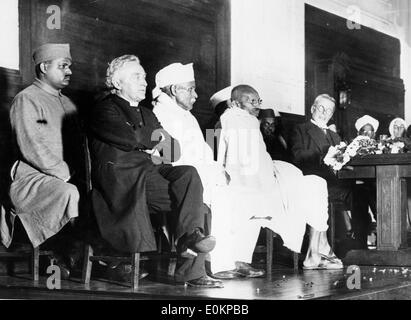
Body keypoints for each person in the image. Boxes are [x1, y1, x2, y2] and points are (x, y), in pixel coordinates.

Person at [88, 55, 222, 288]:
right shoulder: (104, 109)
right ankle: (191, 262)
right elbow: (130, 138)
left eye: (144, 77)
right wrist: (151, 142)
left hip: (147, 173)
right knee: (194, 205)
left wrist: (150, 143)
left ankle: (191, 239)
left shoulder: (146, 113)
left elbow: (173, 151)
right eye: (136, 76)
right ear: (118, 84)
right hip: (123, 180)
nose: (144, 82)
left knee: (189, 175)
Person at [152, 64, 265, 278]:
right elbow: (167, 158)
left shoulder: (188, 116)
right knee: (224, 194)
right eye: (191, 89)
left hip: (201, 175)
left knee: (245, 191)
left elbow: (206, 156)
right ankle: (220, 264)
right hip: (180, 179)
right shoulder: (160, 114)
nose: (195, 95)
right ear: (175, 90)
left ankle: (237, 258)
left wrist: (220, 172)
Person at [217, 85, 343, 270]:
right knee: (315, 184)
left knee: (317, 184)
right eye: (251, 101)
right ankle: (317, 251)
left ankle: (316, 251)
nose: (257, 105)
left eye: (258, 101)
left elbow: (259, 158)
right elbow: (237, 163)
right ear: (235, 103)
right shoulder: (234, 120)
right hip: (257, 182)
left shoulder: (249, 121)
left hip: (271, 174)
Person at [4, 43, 82, 277]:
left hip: (67, 176)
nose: (68, 71)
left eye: (69, 66)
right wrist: (65, 173)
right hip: (31, 179)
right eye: (62, 66)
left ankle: (89, 258)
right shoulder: (26, 99)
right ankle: (55, 253)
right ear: (44, 67)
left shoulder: (68, 104)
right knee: (69, 192)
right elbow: (31, 146)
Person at [290, 94, 354, 254]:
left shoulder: (334, 135)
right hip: (312, 183)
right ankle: (345, 242)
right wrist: (322, 158)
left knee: (364, 192)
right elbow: (297, 156)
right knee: (355, 195)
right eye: (321, 108)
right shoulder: (300, 129)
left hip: (334, 181)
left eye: (329, 111)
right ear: (313, 109)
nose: (324, 113)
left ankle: (356, 244)